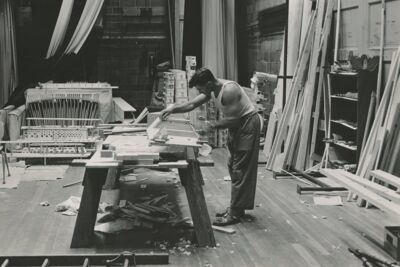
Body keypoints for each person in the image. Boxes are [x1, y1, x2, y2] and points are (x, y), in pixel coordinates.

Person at [159, 68, 261, 226]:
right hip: (238, 125)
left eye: (200, 88)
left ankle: (234, 214)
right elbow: (192, 104)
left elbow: (234, 120)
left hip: (247, 124)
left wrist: (211, 124)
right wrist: (173, 109)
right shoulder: (212, 88)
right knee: (233, 165)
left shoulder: (229, 91)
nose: (200, 91)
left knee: (240, 168)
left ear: (207, 83)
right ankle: (238, 208)